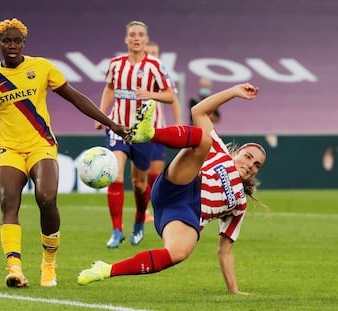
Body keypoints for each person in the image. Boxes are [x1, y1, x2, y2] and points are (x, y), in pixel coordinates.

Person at [0, 18, 127, 288]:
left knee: (46, 198)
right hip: (9, 149)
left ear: (24, 43)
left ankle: (49, 264)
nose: (12, 46)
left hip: (41, 145)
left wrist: (111, 123)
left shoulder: (42, 68)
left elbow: (75, 97)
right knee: (8, 201)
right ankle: (14, 268)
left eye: (17, 41)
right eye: (7, 41)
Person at [78, 83, 266, 295]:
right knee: (204, 139)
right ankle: (148, 133)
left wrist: (234, 291)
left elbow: (225, 250)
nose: (251, 164)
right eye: (248, 157)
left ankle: (106, 270)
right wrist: (233, 92)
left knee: (179, 253)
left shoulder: (239, 205)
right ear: (236, 154)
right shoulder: (221, 153)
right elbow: (198, 111)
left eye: (257, 165)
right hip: (181, 185)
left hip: (185, 214)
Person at [95, 21, 174, 248]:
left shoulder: (156, 66)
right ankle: (116, 230)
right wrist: (101, 116)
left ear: (146, 39)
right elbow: (110, 88)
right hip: (118, 128)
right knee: (115, 176)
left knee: (139, 184)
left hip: (142, 133)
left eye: (140, 35)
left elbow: (170, 95)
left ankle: (140, 219)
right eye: (132, 35)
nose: (136, 38)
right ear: (126, 40)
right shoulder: (116, 65)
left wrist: (150, 93)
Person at [144, 41, 182, 223]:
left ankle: (154, 206)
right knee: (141, 174)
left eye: (155, 52)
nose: (152, 55)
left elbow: (173, 99)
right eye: (149, 52)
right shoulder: (137, 74)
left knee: (156, 173)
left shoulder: (162, 76)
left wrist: (177, 122)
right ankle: (142, 210)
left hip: (158, 129)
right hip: (140, 131)